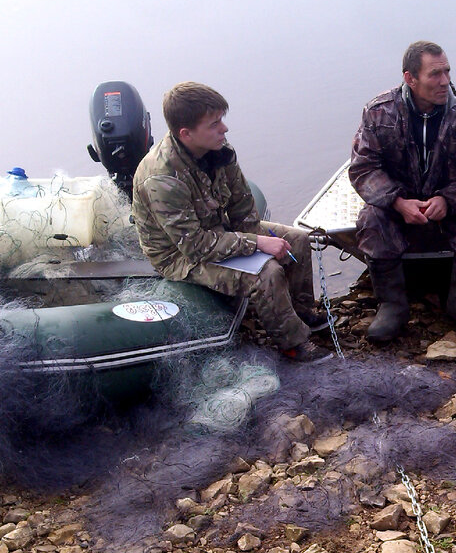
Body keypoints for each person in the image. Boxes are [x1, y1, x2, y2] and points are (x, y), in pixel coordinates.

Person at [131, 82, 325, 360]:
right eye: (214, 124)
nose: (224, 129)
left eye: (221, 119)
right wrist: (257, 245)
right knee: (267, 273)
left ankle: (300, 311)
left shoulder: (218, 148)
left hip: (217, 230)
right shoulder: (162, 179)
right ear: (186, 133)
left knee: (297, 240)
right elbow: (195, 247)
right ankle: (292, 344)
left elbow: (243, 206)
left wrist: (255, 240)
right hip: (180, 256)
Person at [349, 41, 456, 343]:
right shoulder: (380, 113)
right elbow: (363, 169)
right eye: (434, 74)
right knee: (371, 220)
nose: (444, 81)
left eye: (446, 72)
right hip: (400, 205)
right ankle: (393, 305)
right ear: (410, 78)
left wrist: (448, 199)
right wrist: (397, 201)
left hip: (447, 207)